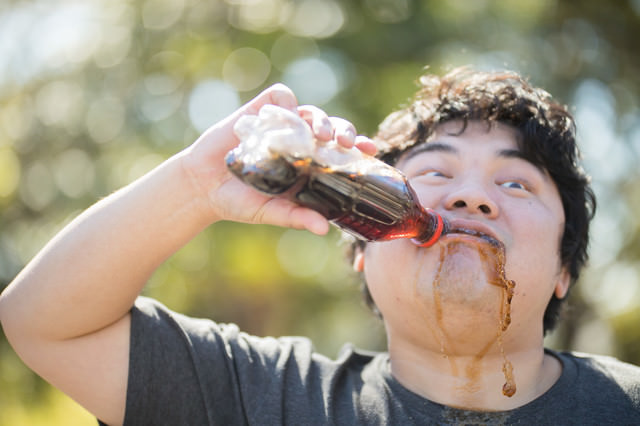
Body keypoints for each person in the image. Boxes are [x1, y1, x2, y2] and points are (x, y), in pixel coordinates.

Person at [1, 67, 639, 425]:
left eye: (514, 182)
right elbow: (43, 322)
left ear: (563, 270)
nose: (472, 198)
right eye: (437, 173)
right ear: (364, 243)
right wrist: (196, 187)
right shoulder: (261, 397)